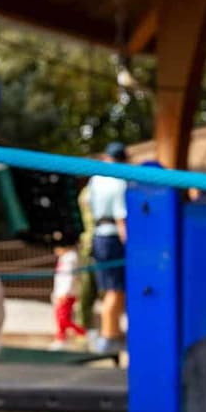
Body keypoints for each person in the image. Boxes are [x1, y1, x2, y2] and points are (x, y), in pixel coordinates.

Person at [86, 141, 131, 355]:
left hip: (98, 235)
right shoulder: (119, 182)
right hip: (113, 237)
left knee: (110, 289)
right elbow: (121, 218)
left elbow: (87, 203)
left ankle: (112, 333)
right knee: (116, 289)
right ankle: (109, 336)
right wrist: (130, 244)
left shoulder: (95, 180)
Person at [47, 245, 86, 350]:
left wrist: (64, 292)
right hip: (60, 293)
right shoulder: (64, 257)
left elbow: (69, 277)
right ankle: (61, 339)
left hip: (67, 293)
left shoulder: (70, 258)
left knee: (63, 318)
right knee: (59, 317)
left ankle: (83, 333)